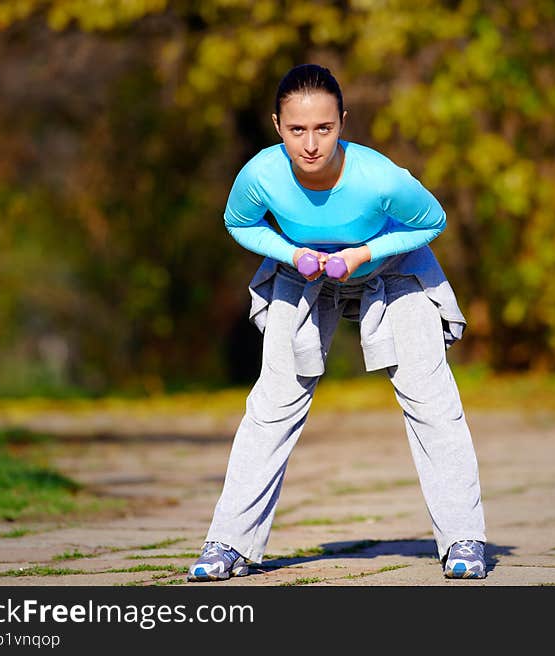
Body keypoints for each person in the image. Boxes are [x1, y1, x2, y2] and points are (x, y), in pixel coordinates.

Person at [188, 64, 487, 582]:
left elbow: (433, 219)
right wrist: (290, 252)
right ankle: (227, 545)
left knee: (431, 398)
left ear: (342, 122)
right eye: (297, 130)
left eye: (324, 129)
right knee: (272, 404)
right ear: (277, 125)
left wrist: (365, 253)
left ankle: (464, 540)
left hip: (389, 269)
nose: (310, 144)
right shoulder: (260, 175)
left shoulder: (378, 178)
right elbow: (239, 222)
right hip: (302, 270)